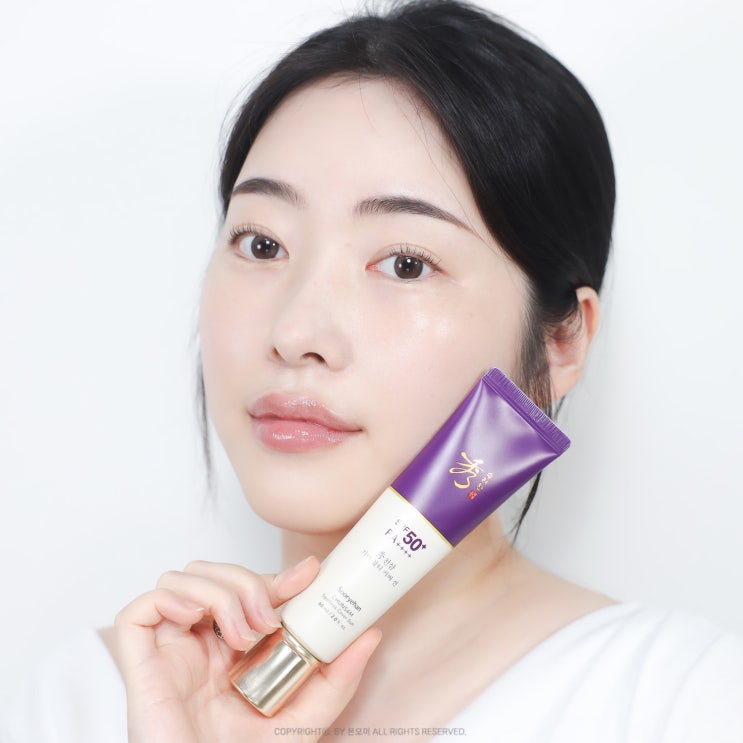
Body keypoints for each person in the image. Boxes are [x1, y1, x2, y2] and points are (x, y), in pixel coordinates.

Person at [3, 1, 742, 741]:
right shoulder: (90, 700)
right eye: (261, 244)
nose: (294, 334)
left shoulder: (676, 701)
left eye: (405, 263)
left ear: (562, 342)